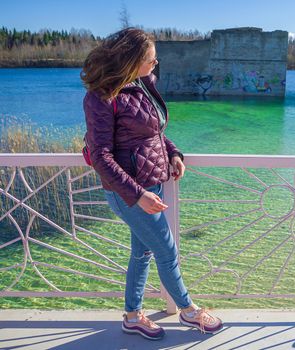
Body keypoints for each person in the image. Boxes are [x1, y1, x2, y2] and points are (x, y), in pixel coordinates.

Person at [81, 27, 222, 340]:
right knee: (167, 250)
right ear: (131, 60)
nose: (155, 65)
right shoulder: (101, 97)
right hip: (129, 192)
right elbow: (100, 156)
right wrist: (137, 194)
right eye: (150, 60)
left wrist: (173, 153)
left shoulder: (141, 86)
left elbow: (153, 131)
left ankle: (132, 316)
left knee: (142, 253)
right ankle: (188, 311)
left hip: (153, 184)